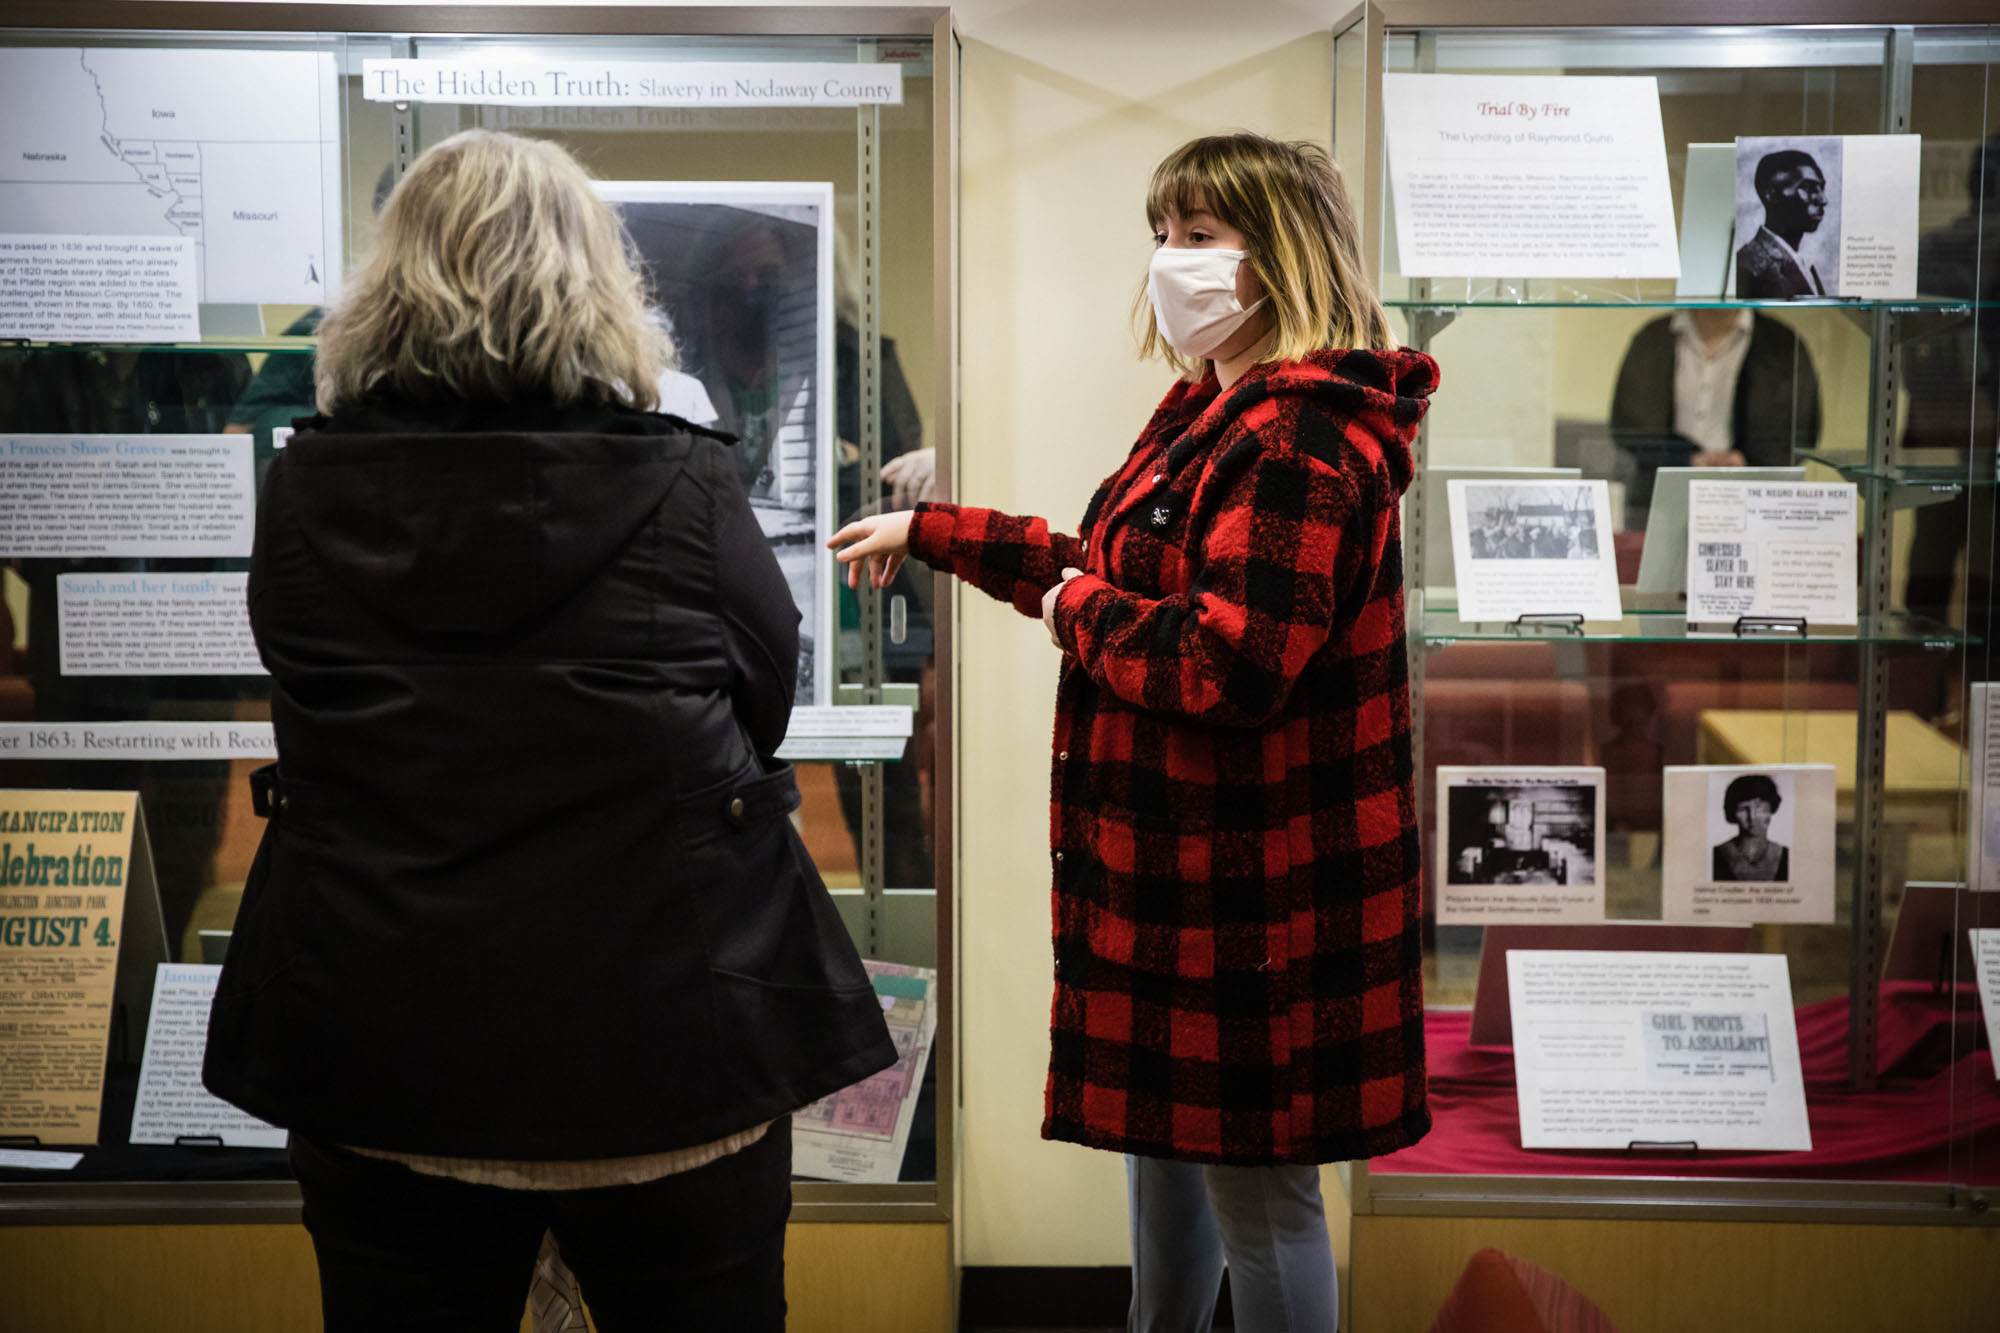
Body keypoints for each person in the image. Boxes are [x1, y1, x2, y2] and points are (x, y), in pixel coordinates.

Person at [201, 129, 897, 1333]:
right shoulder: (685, 481)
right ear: (597, 282)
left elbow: (306, 700)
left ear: (388, 282)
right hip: (669, 1027)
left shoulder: (306, 484)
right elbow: (766, 705)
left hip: (389, 1033)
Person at [831, 131, 1433, 1333]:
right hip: (1180, 882)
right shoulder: (1208, 412)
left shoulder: (1302, 437)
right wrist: (944, 534)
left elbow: (1223, 661)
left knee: (1263, 1206)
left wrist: (1066, 605)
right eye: (1162, 235)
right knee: (1164, 1166)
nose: (1170, 262)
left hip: (1261, 897)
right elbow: (1119, 571)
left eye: (1200, 238)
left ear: (1282, 255)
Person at [1607, 308, 1822, 525]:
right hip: (1663, 500)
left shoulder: (1782, 343)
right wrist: (1683, 457)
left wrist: (1746, 462)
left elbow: (1801, 430)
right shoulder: (1653, 337)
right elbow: (1627, 423)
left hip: (1754, 504)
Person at [1736, 148, 1830, 299]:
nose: (1823, 200)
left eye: (1821, 188)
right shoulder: (1749, 266)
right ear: (1772, 195)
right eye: (1807, 188)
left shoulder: (1803, 262)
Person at [1713, 773, 1790, 883]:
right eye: (1743, 809)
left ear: (1771, 809)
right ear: (1733, 813)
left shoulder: (1788, 857)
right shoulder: (1715, 857)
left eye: (1759, 807)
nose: (1752, 816)